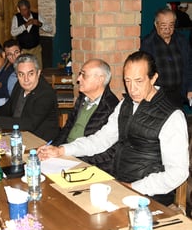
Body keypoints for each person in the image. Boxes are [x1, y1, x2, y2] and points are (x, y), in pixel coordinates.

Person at [38, 51, 189, 206]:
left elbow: (178, 172)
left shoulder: (172, 116)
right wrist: (62, 150)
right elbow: (101, 140)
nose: (132, 89)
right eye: (127, 81)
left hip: (150, 196)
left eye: (139, 81)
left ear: (154, 78)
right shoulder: (126, 104)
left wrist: (133, 188)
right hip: (118, 183)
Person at [52, 59, 119, 174]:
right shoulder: (82, 98)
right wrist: (54, 148)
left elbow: (108, 152)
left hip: (87, 163)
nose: (78, 79)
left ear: (100, 79)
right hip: (66, 154)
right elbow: (67, 128)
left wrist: (76, 161)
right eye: (80, 74)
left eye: (84, 75)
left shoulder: (111, 107)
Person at [0, 53, 59, 141]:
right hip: (17, 135)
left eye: (30, 74)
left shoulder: (46, 93)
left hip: (41, 142)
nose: (26, 79)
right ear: (17, 75)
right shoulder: (19, 85)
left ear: (38, 73)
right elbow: (8, 107)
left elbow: (30, 123)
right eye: (21, 74)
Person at [140, 7, 192, 108]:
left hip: (178, 94)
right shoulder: (148, 43)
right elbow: (145, 70)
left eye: (171, 26)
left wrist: (190, 88)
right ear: (156, 25)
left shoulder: (181, 41)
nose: (168, 30)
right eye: (163, 26)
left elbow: (189, 65)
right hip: (158, 95)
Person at [11, 0, 52, 69]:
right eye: (21, 10)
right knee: (24, 68)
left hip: (36, 49)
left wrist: (40, 24)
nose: (23, 12)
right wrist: (25, 25)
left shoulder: (37, 16)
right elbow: (13, 33)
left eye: (25, 10)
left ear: (29, 8)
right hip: (23, 50)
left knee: (38, 68)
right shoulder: (16, 17)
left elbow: (50, 29)